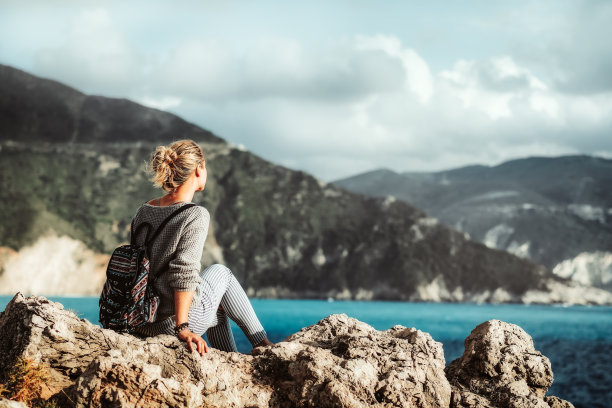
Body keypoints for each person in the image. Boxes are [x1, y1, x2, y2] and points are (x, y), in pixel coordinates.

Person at [130, 139, 273, 356]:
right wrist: (182, 328)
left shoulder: (144, 211)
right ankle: (264, 345)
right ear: (199, 169)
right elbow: (183, 272)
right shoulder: (194, 214)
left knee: (219, 305)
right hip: (170, 324)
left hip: (140, 320)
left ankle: (231, 360)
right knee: (221, 273)